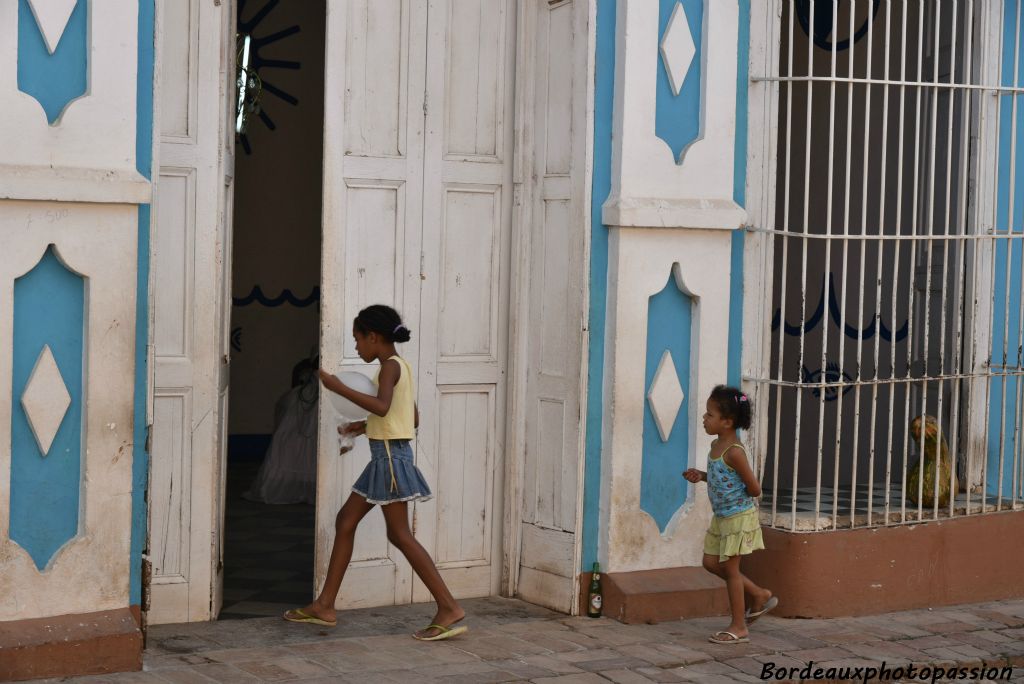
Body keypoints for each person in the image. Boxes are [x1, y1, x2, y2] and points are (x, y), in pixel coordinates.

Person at [283, 305, 466, 641]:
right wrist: (359, 426)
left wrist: (336, 386)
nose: (356, 347)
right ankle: (324, 606)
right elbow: (409, 419)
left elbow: (382, 407)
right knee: (345, 521)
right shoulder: (399, 368)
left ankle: (448, 606)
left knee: (399, 535)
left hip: (391, 462)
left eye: (357, 340)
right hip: (385, 459)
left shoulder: (389, 369)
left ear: (374, 336)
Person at [683, 385, 777, 644]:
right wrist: (702, 476)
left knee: (731, 570)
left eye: (709, 415)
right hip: (722, 517)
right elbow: (721, 478)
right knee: (710, 563)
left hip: (738, 518)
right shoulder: (717, 445)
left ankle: (739, 627)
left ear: (727, 421)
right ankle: (758, 594)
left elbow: (754, 488)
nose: (704, 418)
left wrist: (737, 496)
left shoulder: (734, 451)